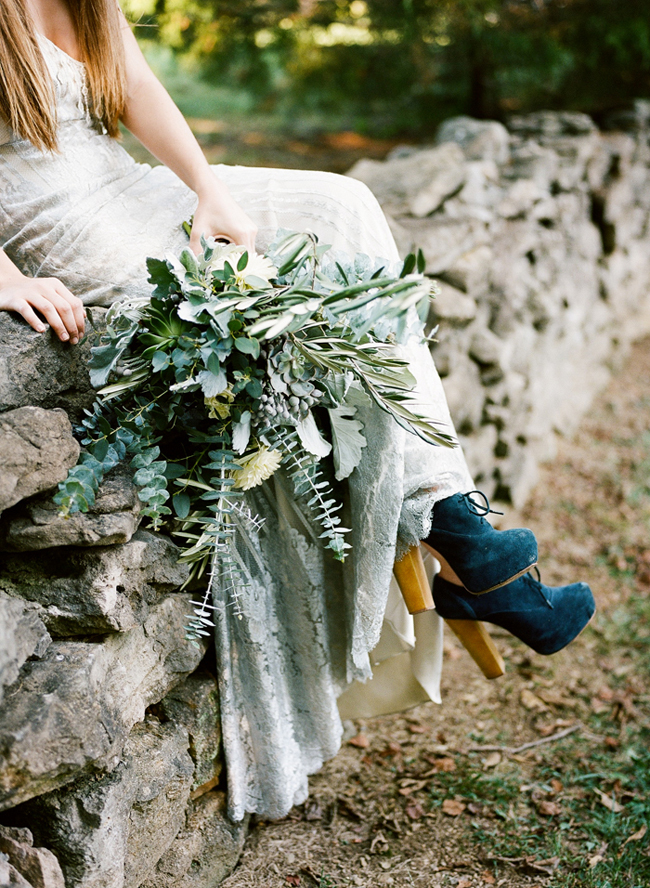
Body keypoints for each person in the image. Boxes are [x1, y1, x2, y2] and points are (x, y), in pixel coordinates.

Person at [0, 0, 594, 821]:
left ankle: (454, 522)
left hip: (118, 179)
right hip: (47, 216)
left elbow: (134, 86)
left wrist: (205, 188)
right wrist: (6, 276)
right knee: (254, 316)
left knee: (342, 209)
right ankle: (465, 552)